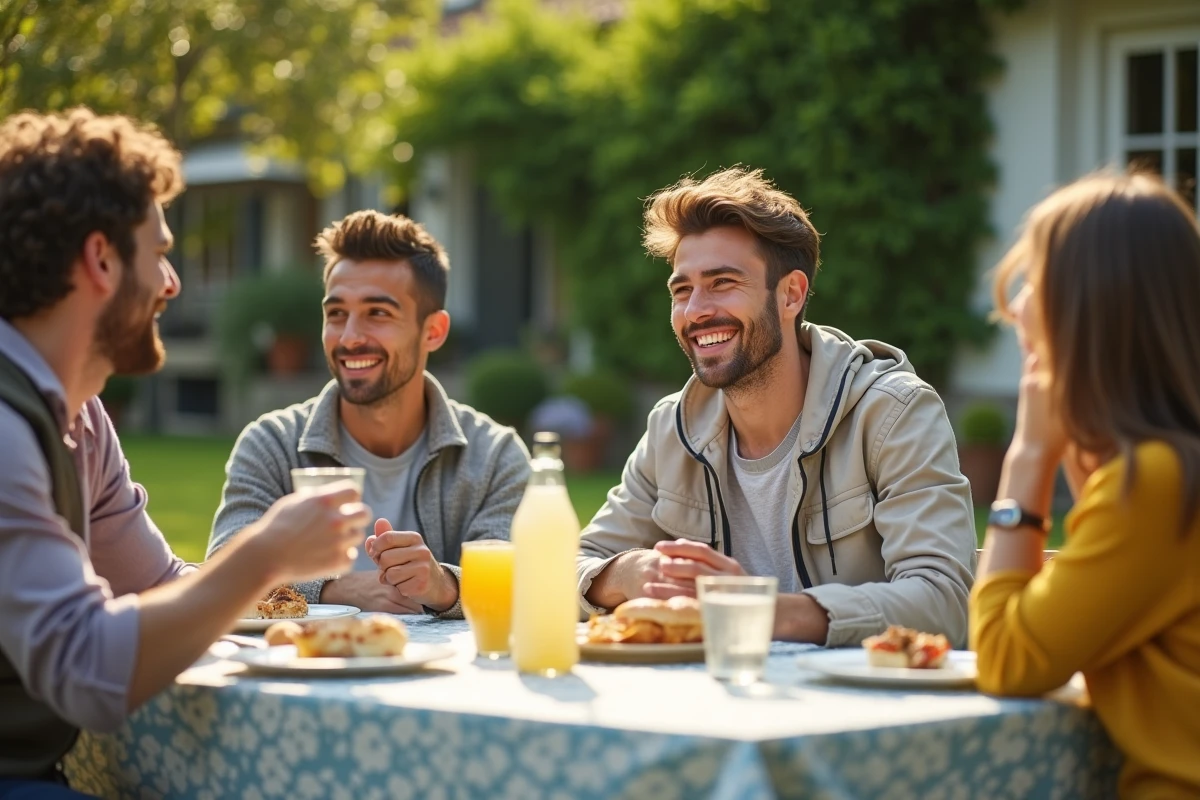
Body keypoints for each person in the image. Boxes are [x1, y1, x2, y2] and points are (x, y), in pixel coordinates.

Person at [0, 109, 368, 797]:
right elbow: (87, 671)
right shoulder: (6, 430)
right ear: (101, 260)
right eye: (160, 252)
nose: (172, 283)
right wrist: (265, 552)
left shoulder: (78, 417)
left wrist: (302, 605)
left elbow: (156, 584)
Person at [577, 167, 976, 647]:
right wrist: (628, 572)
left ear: (790, 295)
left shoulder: (893, 413)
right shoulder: (674, 427)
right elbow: (567, 566)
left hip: (862, 709)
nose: (695, 310)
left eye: (722, 282)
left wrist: (754, 609)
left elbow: (944, 601)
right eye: (682, 290)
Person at [971, 171, 1200, 797]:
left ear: (1087, 305)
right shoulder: (1166, 467)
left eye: (1036, 281)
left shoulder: (1154, 483)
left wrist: (1028, 457)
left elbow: (1006, 658)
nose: (1016, 306)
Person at [207, 210, 530, 618]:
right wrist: (337, 589)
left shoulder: (495, 456)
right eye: (336, 313)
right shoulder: (272, 444)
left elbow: (521, 577)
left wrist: (443, 585)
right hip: (305, 674)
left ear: (433, 331)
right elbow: (223, 568)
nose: (350, 337)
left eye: (378, 313)